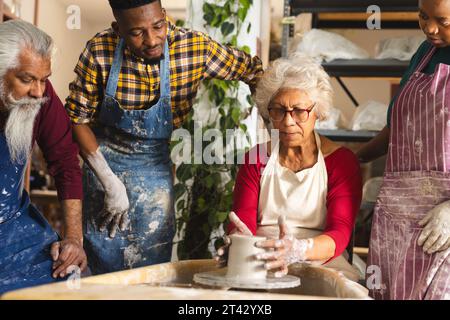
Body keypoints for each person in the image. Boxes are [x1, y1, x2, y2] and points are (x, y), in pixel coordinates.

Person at [65, 0, 263, 274]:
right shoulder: (100, 50)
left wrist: (270, 120)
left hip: (154, 174)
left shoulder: (193, 48)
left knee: (151, 267)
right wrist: (109, 180)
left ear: (165, 16)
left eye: (158, 26)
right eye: (136, 32)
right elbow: (76, 119)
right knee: (102, 265)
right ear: (118, 28)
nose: (152, 39)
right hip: (102, 168)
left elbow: (253, 71)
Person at [218, 54, 362, 281]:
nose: (287, 122)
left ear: (318, 112)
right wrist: (238, 241)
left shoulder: (341, 162)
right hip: (260, 254)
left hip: (322, 258)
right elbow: (243, 221)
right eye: (279, 111)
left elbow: (340, 232)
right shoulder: (257, 157)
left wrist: (299, 249)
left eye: (299, 111)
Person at [356, 0, 450, 300]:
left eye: (444, 21)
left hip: (442, 223)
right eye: (423, 17)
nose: (431, 28)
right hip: (396, 216)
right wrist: (354, 157)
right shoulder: (426, 53)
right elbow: (395, 127)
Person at [0, 20, 86, 294]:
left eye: (44, 79)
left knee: (70, 279)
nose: (39, 92)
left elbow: (66, 163)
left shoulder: (41, 97)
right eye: (26, 79)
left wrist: (73, 238)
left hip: (12, 222)